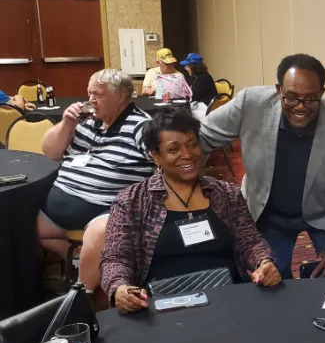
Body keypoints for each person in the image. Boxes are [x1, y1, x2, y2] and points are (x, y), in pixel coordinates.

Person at [200, 53, 325, 280]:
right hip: (268, 212)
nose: (301, 106)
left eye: (311, 98)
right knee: (271, 279)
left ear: (322, 93)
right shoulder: (251, 103)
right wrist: (188, 183)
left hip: (324, 213)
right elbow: (201, 137)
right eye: (291, 97)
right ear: (279, 90)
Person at [100, 108, 280, 313]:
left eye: (192, 145)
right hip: (164, 304)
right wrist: (120, 287)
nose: (187, 155)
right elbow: (115, 258)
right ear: (156, 156)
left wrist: (263, 261)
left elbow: (250, 241)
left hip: (227, 296)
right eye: (173, 149)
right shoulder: (131, 201)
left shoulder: (226, 194)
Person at [38, 69, 155, 292]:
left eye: (98, 94)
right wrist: (67, 123)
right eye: (89, 93)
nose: (91, 99)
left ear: (121, 95)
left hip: (106, 207)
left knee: (99, 233)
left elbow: (164, 159)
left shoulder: (141, 126)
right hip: (59, 204)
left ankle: (83, 295)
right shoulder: (87, 119)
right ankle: (75, 259)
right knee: (18, 220)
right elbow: (50, 152)